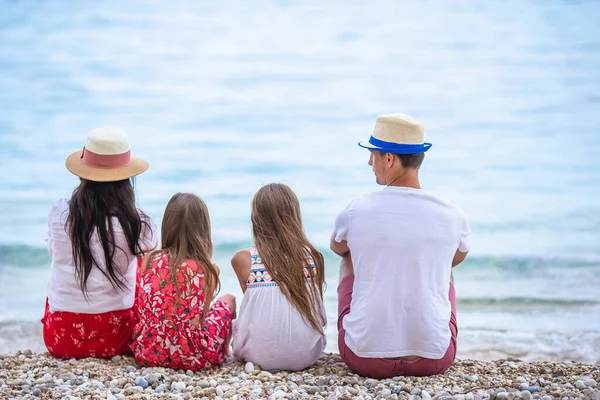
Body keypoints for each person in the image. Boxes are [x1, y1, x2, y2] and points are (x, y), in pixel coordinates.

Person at [331, 114, 470, 378]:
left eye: (373, 154)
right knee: (443, 265)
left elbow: (338, 248)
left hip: (364, 358)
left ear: (390, 159)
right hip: (433, 359)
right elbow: (457, 257)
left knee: (349, 257)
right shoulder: (453, 214)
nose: (370, 162)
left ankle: (373, 333)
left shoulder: (356, 209)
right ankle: (420, 337)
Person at [42, 127, 157, 359]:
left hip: (60, 338)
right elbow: (150, 268)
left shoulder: (59, 211)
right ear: (126, 178)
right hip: (116, 336)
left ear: (83, 174)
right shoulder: (138, 223)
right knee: (142, 266)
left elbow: (55, 254)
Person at [131, 193, 236, 370]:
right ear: (203, 229)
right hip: (191, 356)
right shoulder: (208, 269)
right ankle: (225, 352)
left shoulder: (149, 259)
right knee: (230, 299)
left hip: (148, 351)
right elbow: (201, 321)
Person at [231, 183, 326, 371]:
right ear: (294, 216)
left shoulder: (243, 259)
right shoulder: (314, 257)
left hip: (259, 356)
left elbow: (256, 310)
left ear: (256, 218)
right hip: (307, 356)